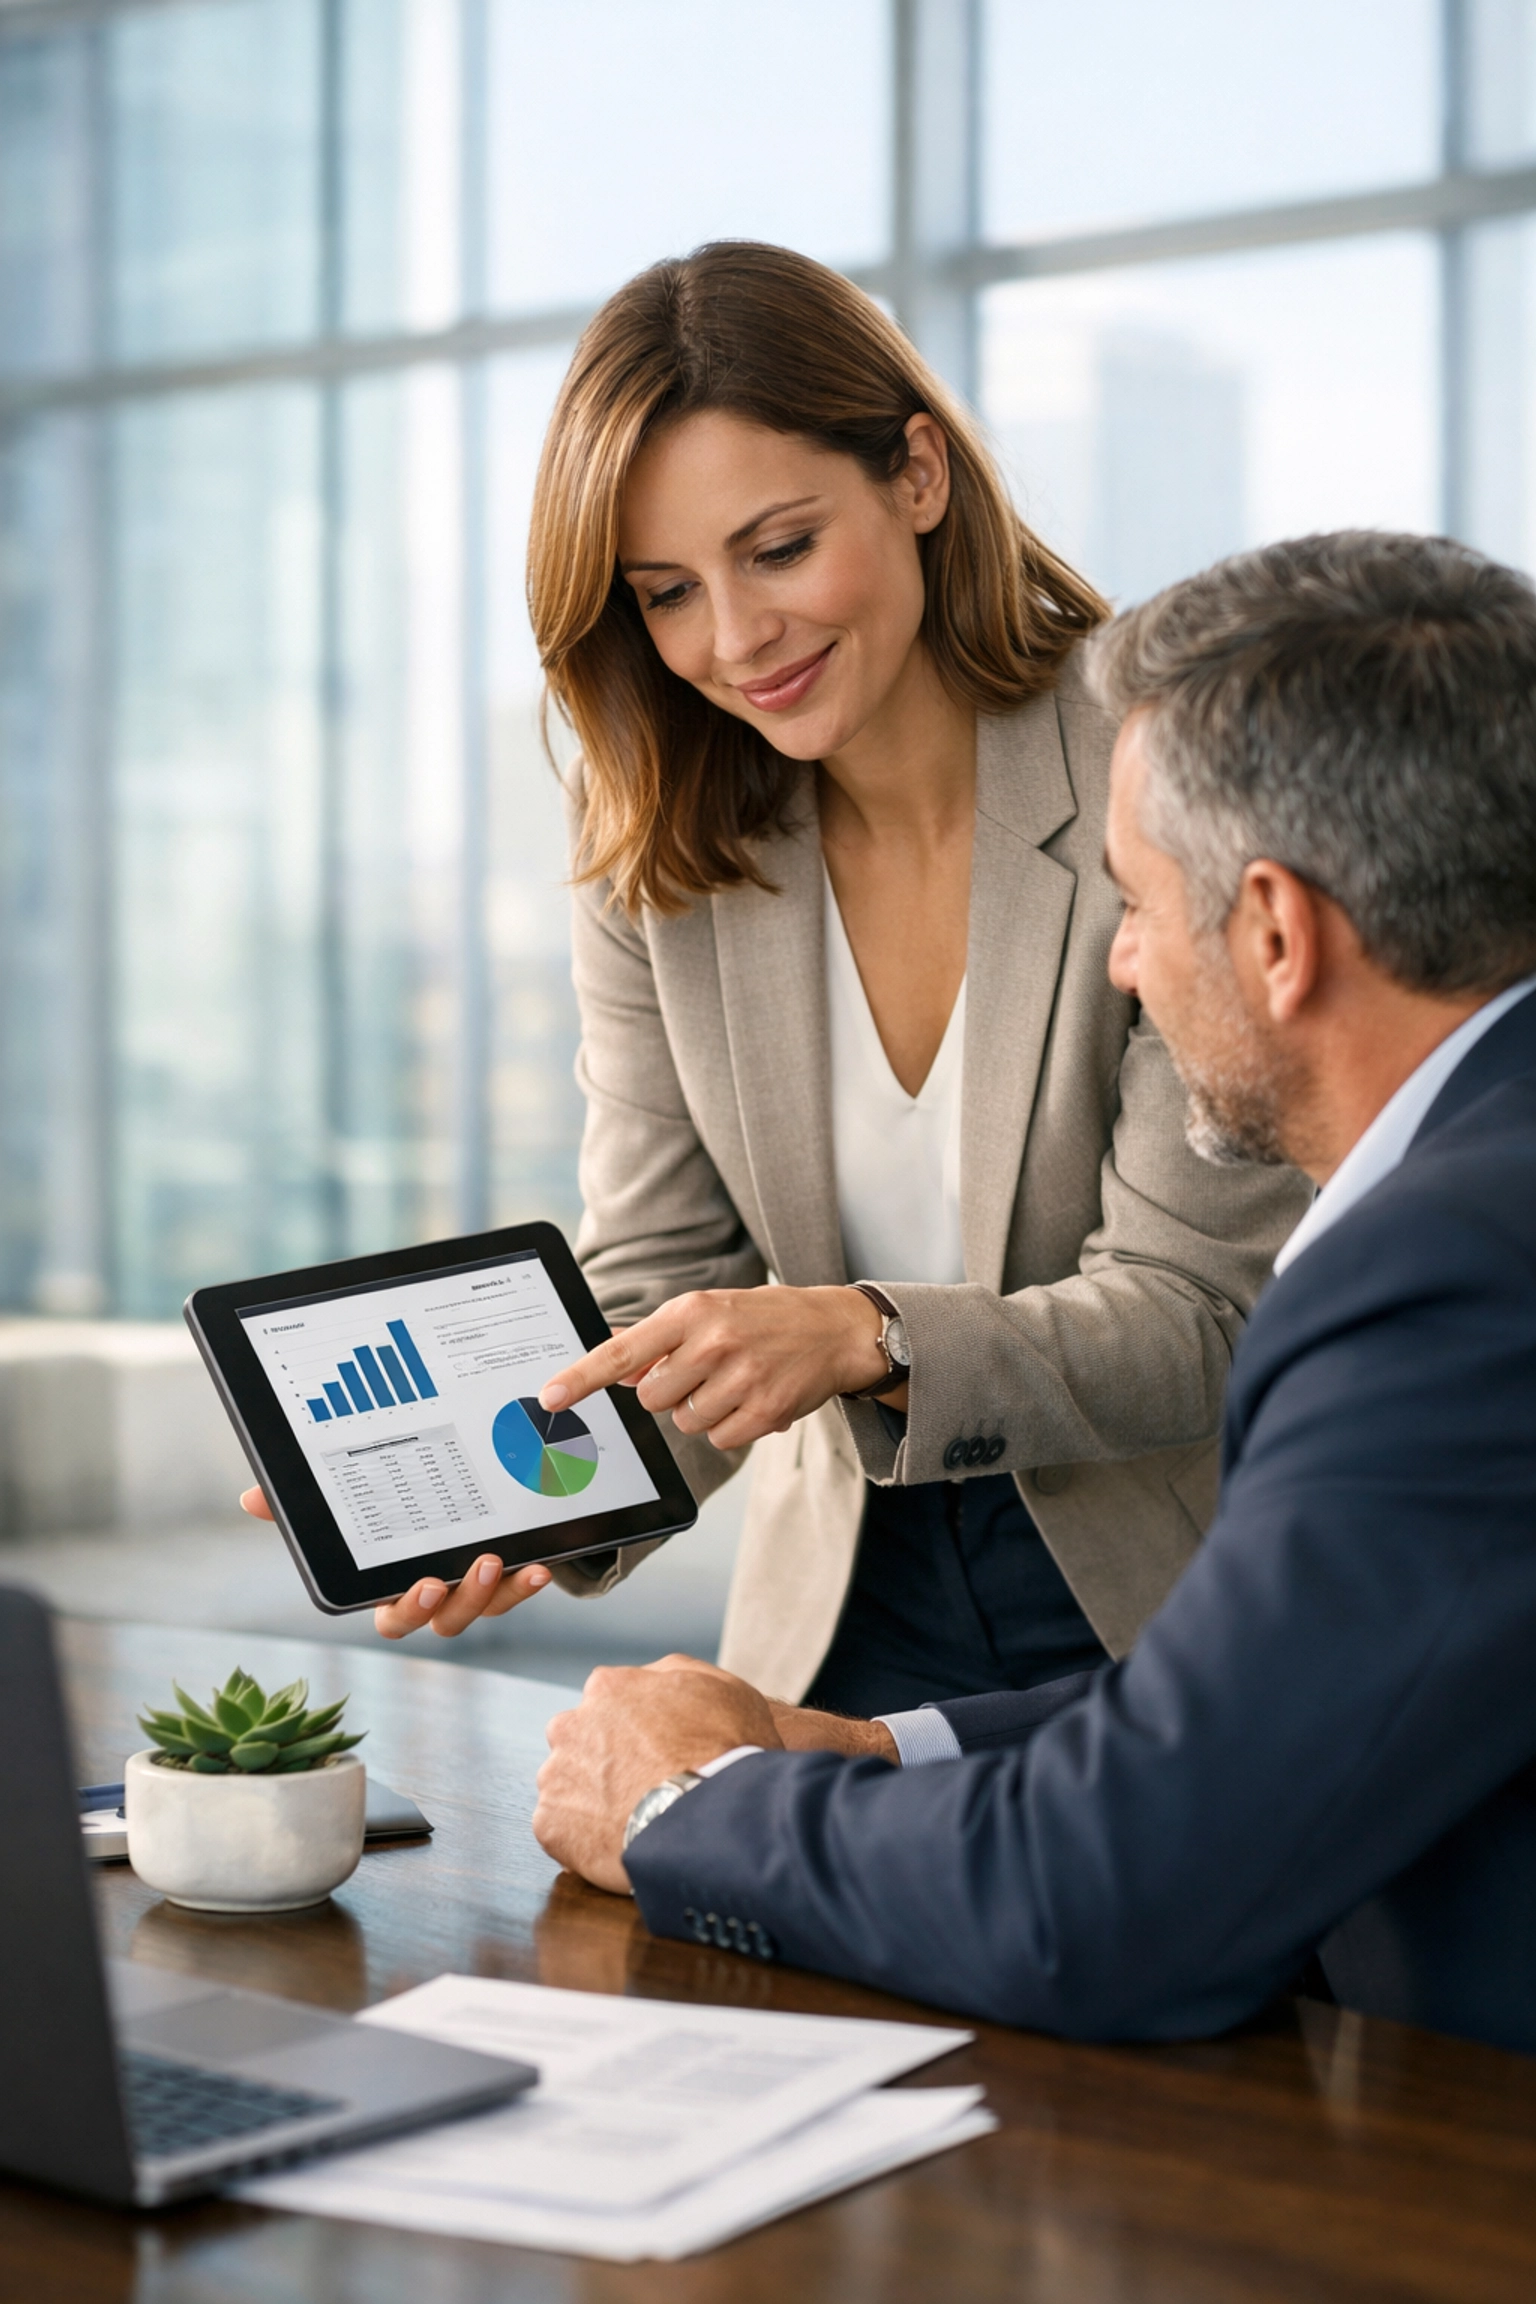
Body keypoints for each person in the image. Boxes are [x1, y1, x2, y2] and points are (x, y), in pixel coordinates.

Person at [530, 529, 1536, 2059]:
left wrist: (686, 1810)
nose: (1121, 965)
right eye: (667, 589)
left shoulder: (1449, 1283)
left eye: (1135, 903)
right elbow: (1269, 1710)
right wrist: (870, 1746)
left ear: (1275, 932)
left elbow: (1115, 1900)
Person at [259, 241, 1302, 1713]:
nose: (737, 641)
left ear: (920, 474)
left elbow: (1195, 1307)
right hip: (839, 1613)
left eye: (780, 548)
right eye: (667, 591)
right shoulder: (665, 849)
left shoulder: (1153, 755)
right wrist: (534, 1494)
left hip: (1168, 1602)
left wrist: (865, 1333)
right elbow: (665, 1272)